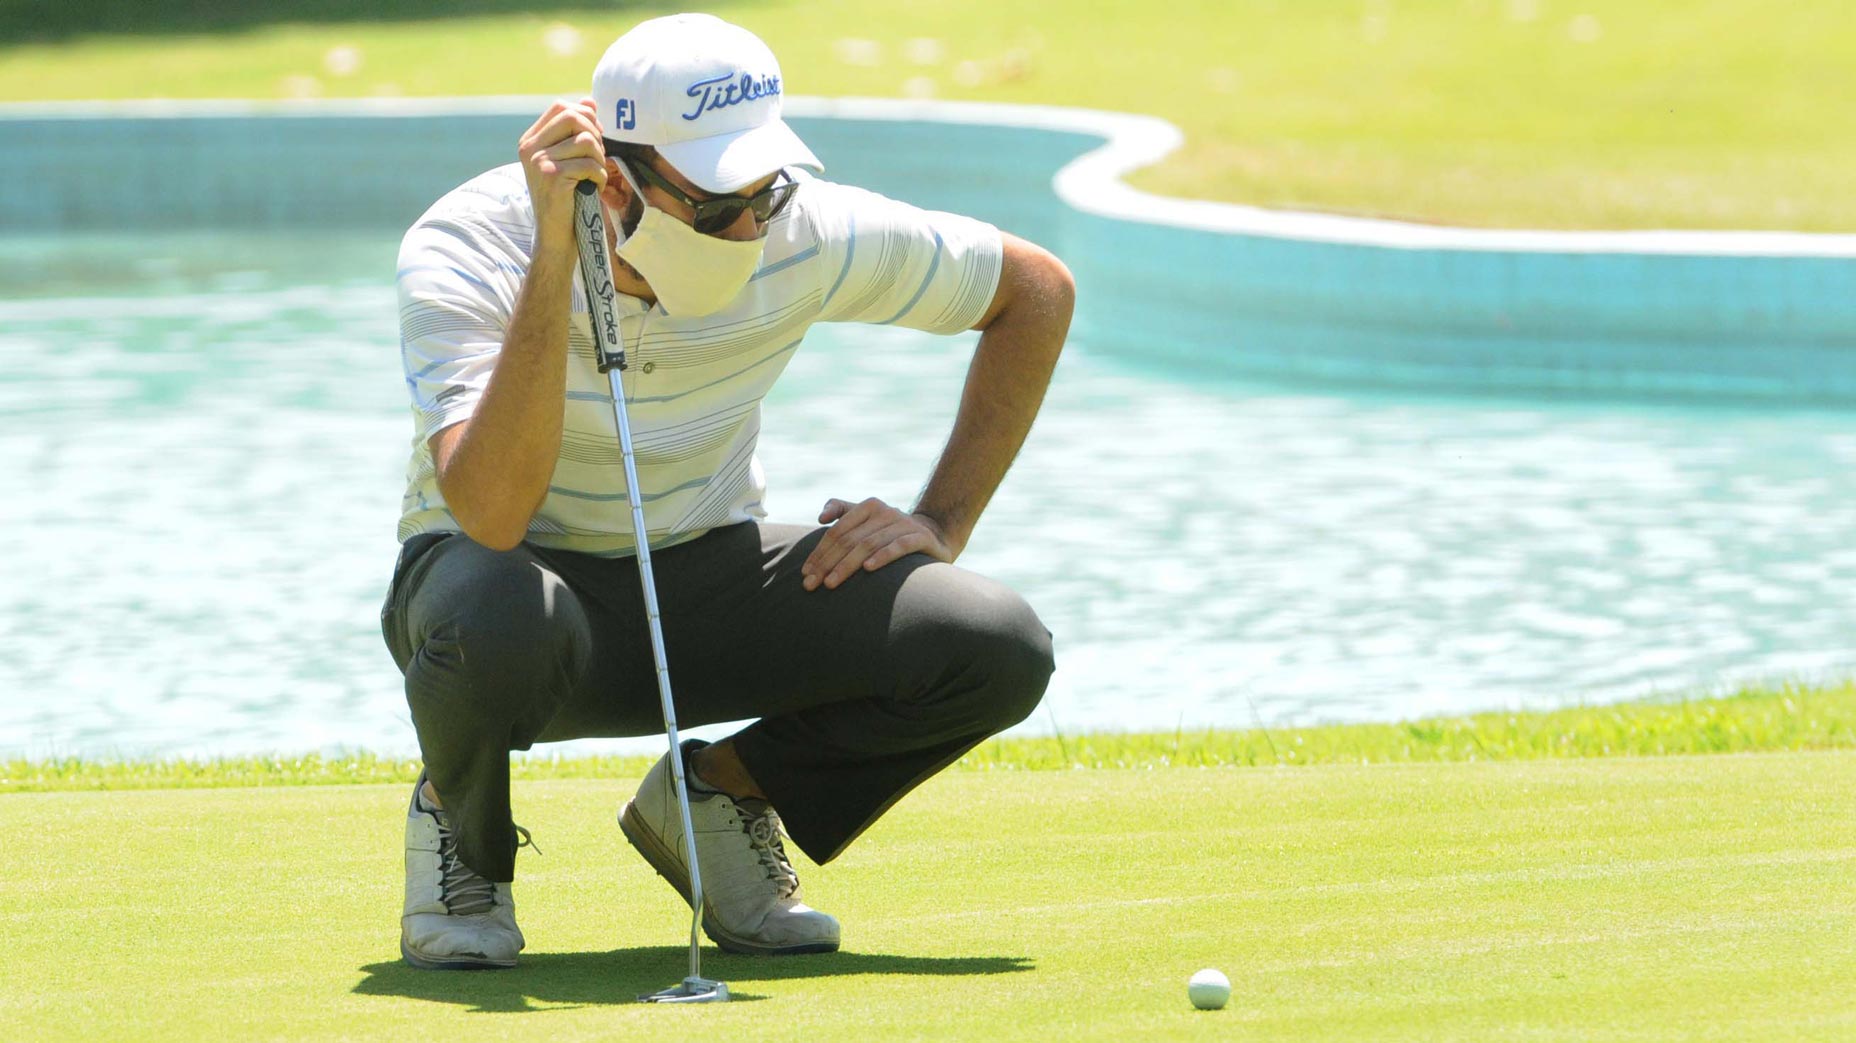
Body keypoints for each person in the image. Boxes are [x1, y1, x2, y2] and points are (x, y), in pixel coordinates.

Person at [381, 12, 1074, 969]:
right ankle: (463, 831)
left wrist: (939, 520)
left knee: (994, 646)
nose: (752, 226)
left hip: (707, 576)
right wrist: (556, 258)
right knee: (491, 608)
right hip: (512, 595)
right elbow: (491, 513)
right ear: (614, 179)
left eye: (767, 189)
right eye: (714, 204)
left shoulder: (805, 231)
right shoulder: (470, 244)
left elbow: (1034, 292)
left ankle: (718, 794)